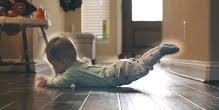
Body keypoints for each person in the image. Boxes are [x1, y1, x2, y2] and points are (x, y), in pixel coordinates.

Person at [36, 36, 179, 88]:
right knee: (141, 63)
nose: (54, 69)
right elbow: (64, 76)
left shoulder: (72, 73)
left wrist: (47, 82)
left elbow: (61, 82)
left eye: (54, 64)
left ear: (63, 60)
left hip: (116, 75)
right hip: (116, 69)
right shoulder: (77, 65)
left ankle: (159, 51)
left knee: (143, 67)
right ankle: (158, 49)